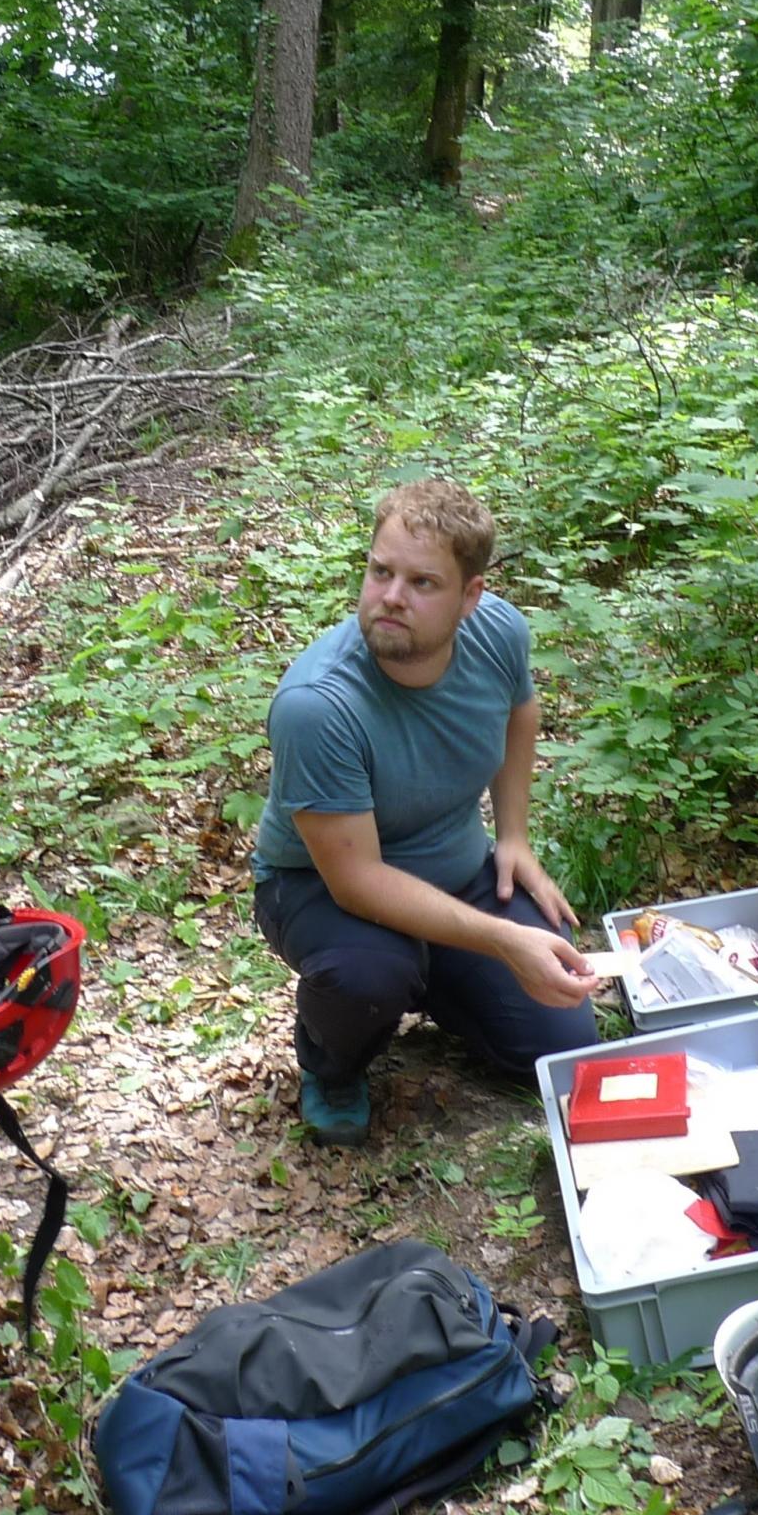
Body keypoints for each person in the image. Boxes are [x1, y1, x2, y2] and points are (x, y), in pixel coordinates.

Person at [252, 479, 601, 1147]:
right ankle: (333, 1063)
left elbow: (519, 711)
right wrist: (503, 939)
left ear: (470, 597)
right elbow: (356, 880)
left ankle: (436, 970)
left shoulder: (496, 632)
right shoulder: (318, 705)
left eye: (422, 583)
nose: (390, 597)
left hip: (455, 866)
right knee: (368, 975)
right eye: (380, 572)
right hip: (317, 888)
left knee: (559, 1052)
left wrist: (515, 837)